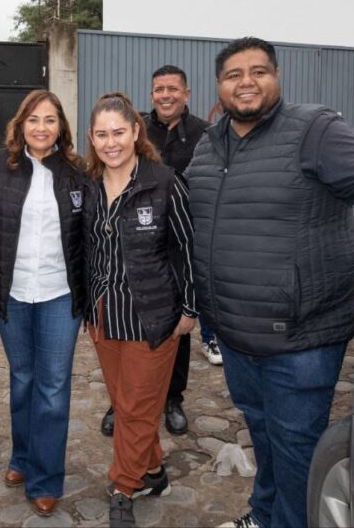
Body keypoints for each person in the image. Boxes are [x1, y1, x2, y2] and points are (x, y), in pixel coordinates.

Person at [185, 37, 354, 528]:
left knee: (296, 452)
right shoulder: (208, 145)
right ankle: (264, 516)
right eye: (234, 74)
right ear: (219, 86)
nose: (246, 82)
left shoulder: (314, 129)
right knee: (263, 437)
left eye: (259, 71)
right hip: (237, 336)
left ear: (277, 77)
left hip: (299, 341)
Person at [82, 92, 196, 528]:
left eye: (118, 133)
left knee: (134, 409)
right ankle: (152, 471)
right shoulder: (88, 186)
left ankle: (123, 487)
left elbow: (187, 249)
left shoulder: (164, 182)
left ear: (135, 132)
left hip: (152, 317)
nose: (110, 143)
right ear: (92, 138)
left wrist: (190, 308)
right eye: (101, 135)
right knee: (128, 404)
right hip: (104, 315)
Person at [0, 89, 85, 518]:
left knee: (52, 386)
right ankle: (22, 456)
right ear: (20, 125)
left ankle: (45, 478)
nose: (41, 127)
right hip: (13, 292)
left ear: (61, 127)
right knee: (23, 378)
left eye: (50, 120)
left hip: (60, 293)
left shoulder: (77, 171)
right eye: (33, 119)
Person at [99, 64, 213, 441]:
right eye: (159, 89)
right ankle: (120, 401)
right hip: (137, 241)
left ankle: (172, 400)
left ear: (186, 93)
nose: (166, 95)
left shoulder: (204, 135)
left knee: (175, 329)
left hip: (179, 238)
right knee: (124, 328)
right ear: (151, 95)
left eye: (173, 89)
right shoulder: (137, 128)